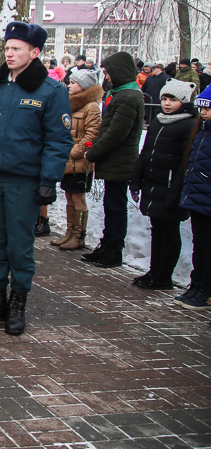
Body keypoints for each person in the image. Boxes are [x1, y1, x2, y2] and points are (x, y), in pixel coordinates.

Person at [0, 22, 72, 336]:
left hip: (24, 182)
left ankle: (17, 304)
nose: (9, 54)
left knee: (20, 247)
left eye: (16, 49)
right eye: (8, 48)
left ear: (34, 52)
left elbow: (58, 141)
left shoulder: (50, 90)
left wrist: (48, 180)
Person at [129, 79, 198, 290]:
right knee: (157, 230)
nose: (167, 104)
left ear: (183, 101)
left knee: (169, 232)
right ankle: (154, 270)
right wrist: (137, 178)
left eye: (172, 100)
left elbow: (184, 163)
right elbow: (146, 152)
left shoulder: (188, 124)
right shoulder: (159, 120)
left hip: (169, 186)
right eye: (164, 99)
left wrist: (175, 192)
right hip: (154, 183)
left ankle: (164, 275)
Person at [81, 51, 145, 268]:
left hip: (120, 160)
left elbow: (116, 133)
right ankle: (107, 243)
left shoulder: (128, 97)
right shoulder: (121, 94)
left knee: (116, 206)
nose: (106, 77)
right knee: (111, 205)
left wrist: (93, 152)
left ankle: (114, 248)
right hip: (114, 160)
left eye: (108, 73)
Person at [50, 69, 103, 251]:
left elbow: (92, 134)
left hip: (79, 161)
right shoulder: (70, 104)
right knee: (69, 196)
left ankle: (79, 235)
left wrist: (74, 152)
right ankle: (70, 231)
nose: (69, 85)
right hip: (67, 161)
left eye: (73, 82)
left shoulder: (91, 107)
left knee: (78, 197)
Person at [176, 85, 211, 309]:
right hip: (199, 196)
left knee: (208, 248)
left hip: (207, 197)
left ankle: (205, 289)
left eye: (208, 108)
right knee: (200, 245)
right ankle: (196, 285)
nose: (204, 112)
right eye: (202, 108)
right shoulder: (202, 130)